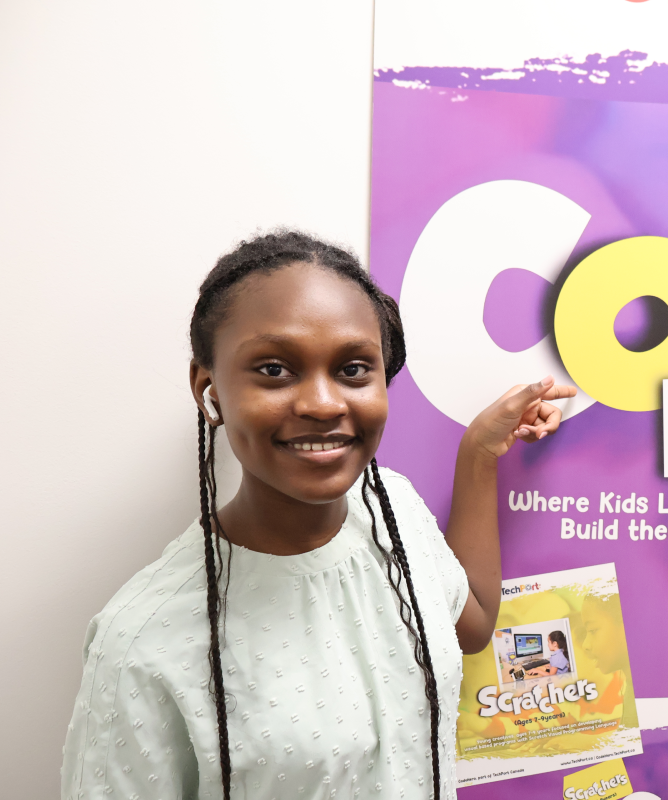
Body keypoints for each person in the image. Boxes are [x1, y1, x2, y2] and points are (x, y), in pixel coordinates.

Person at [59, 231, 575, 800]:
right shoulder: (143, 643)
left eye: (353, 368)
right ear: (209, 390)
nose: (324, 404)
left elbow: (472, 627)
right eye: (274, 369)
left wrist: (478, 453)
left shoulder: (395, 509)